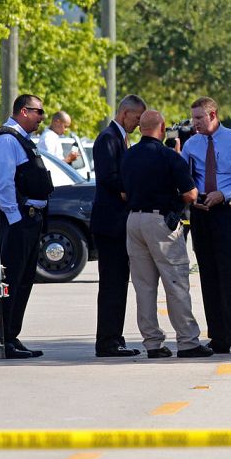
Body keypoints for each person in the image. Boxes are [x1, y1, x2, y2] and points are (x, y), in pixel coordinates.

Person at [122, 110, 214, 359]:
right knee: (176, 283)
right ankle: (187, 341)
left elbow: (123, 192)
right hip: (161, 221)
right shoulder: (168, 157)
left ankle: (152, 343)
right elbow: (191, 195)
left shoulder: (128, 155)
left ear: (141, 128)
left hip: (134, 220)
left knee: (144, 286)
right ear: (162, 128)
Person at [182, 97, 231, 355]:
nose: (195, 123)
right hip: (201, 211)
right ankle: (217, 336)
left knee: (228, 274)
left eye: (199, 118)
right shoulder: (191, 145)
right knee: (207, 274)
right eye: (193, 118)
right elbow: (185, 176)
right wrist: (193, 196)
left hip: (225, 210)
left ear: (213, 115)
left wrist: (225, 193)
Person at [0, 94, 54, 359]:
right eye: (38, 112)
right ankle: (4, 338)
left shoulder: (23, 140)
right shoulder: (7, 140)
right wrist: (16, 218)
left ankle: (12, 336)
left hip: (30, 219)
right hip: (18, 221)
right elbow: (2, 184)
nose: (42, 117)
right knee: (13, 280)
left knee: (24, 280)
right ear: (23, 111)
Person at [91, 95, 146, 357]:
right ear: (125, 113)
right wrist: (131, 190)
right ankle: (108, 342)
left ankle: (115, 337)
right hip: (110, 224)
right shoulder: (108, 138)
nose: (138, 123)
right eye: (137, 118)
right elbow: (109, 177)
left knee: (118, 283)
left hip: (118, 223)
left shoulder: (120, 137)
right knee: (113, 284)